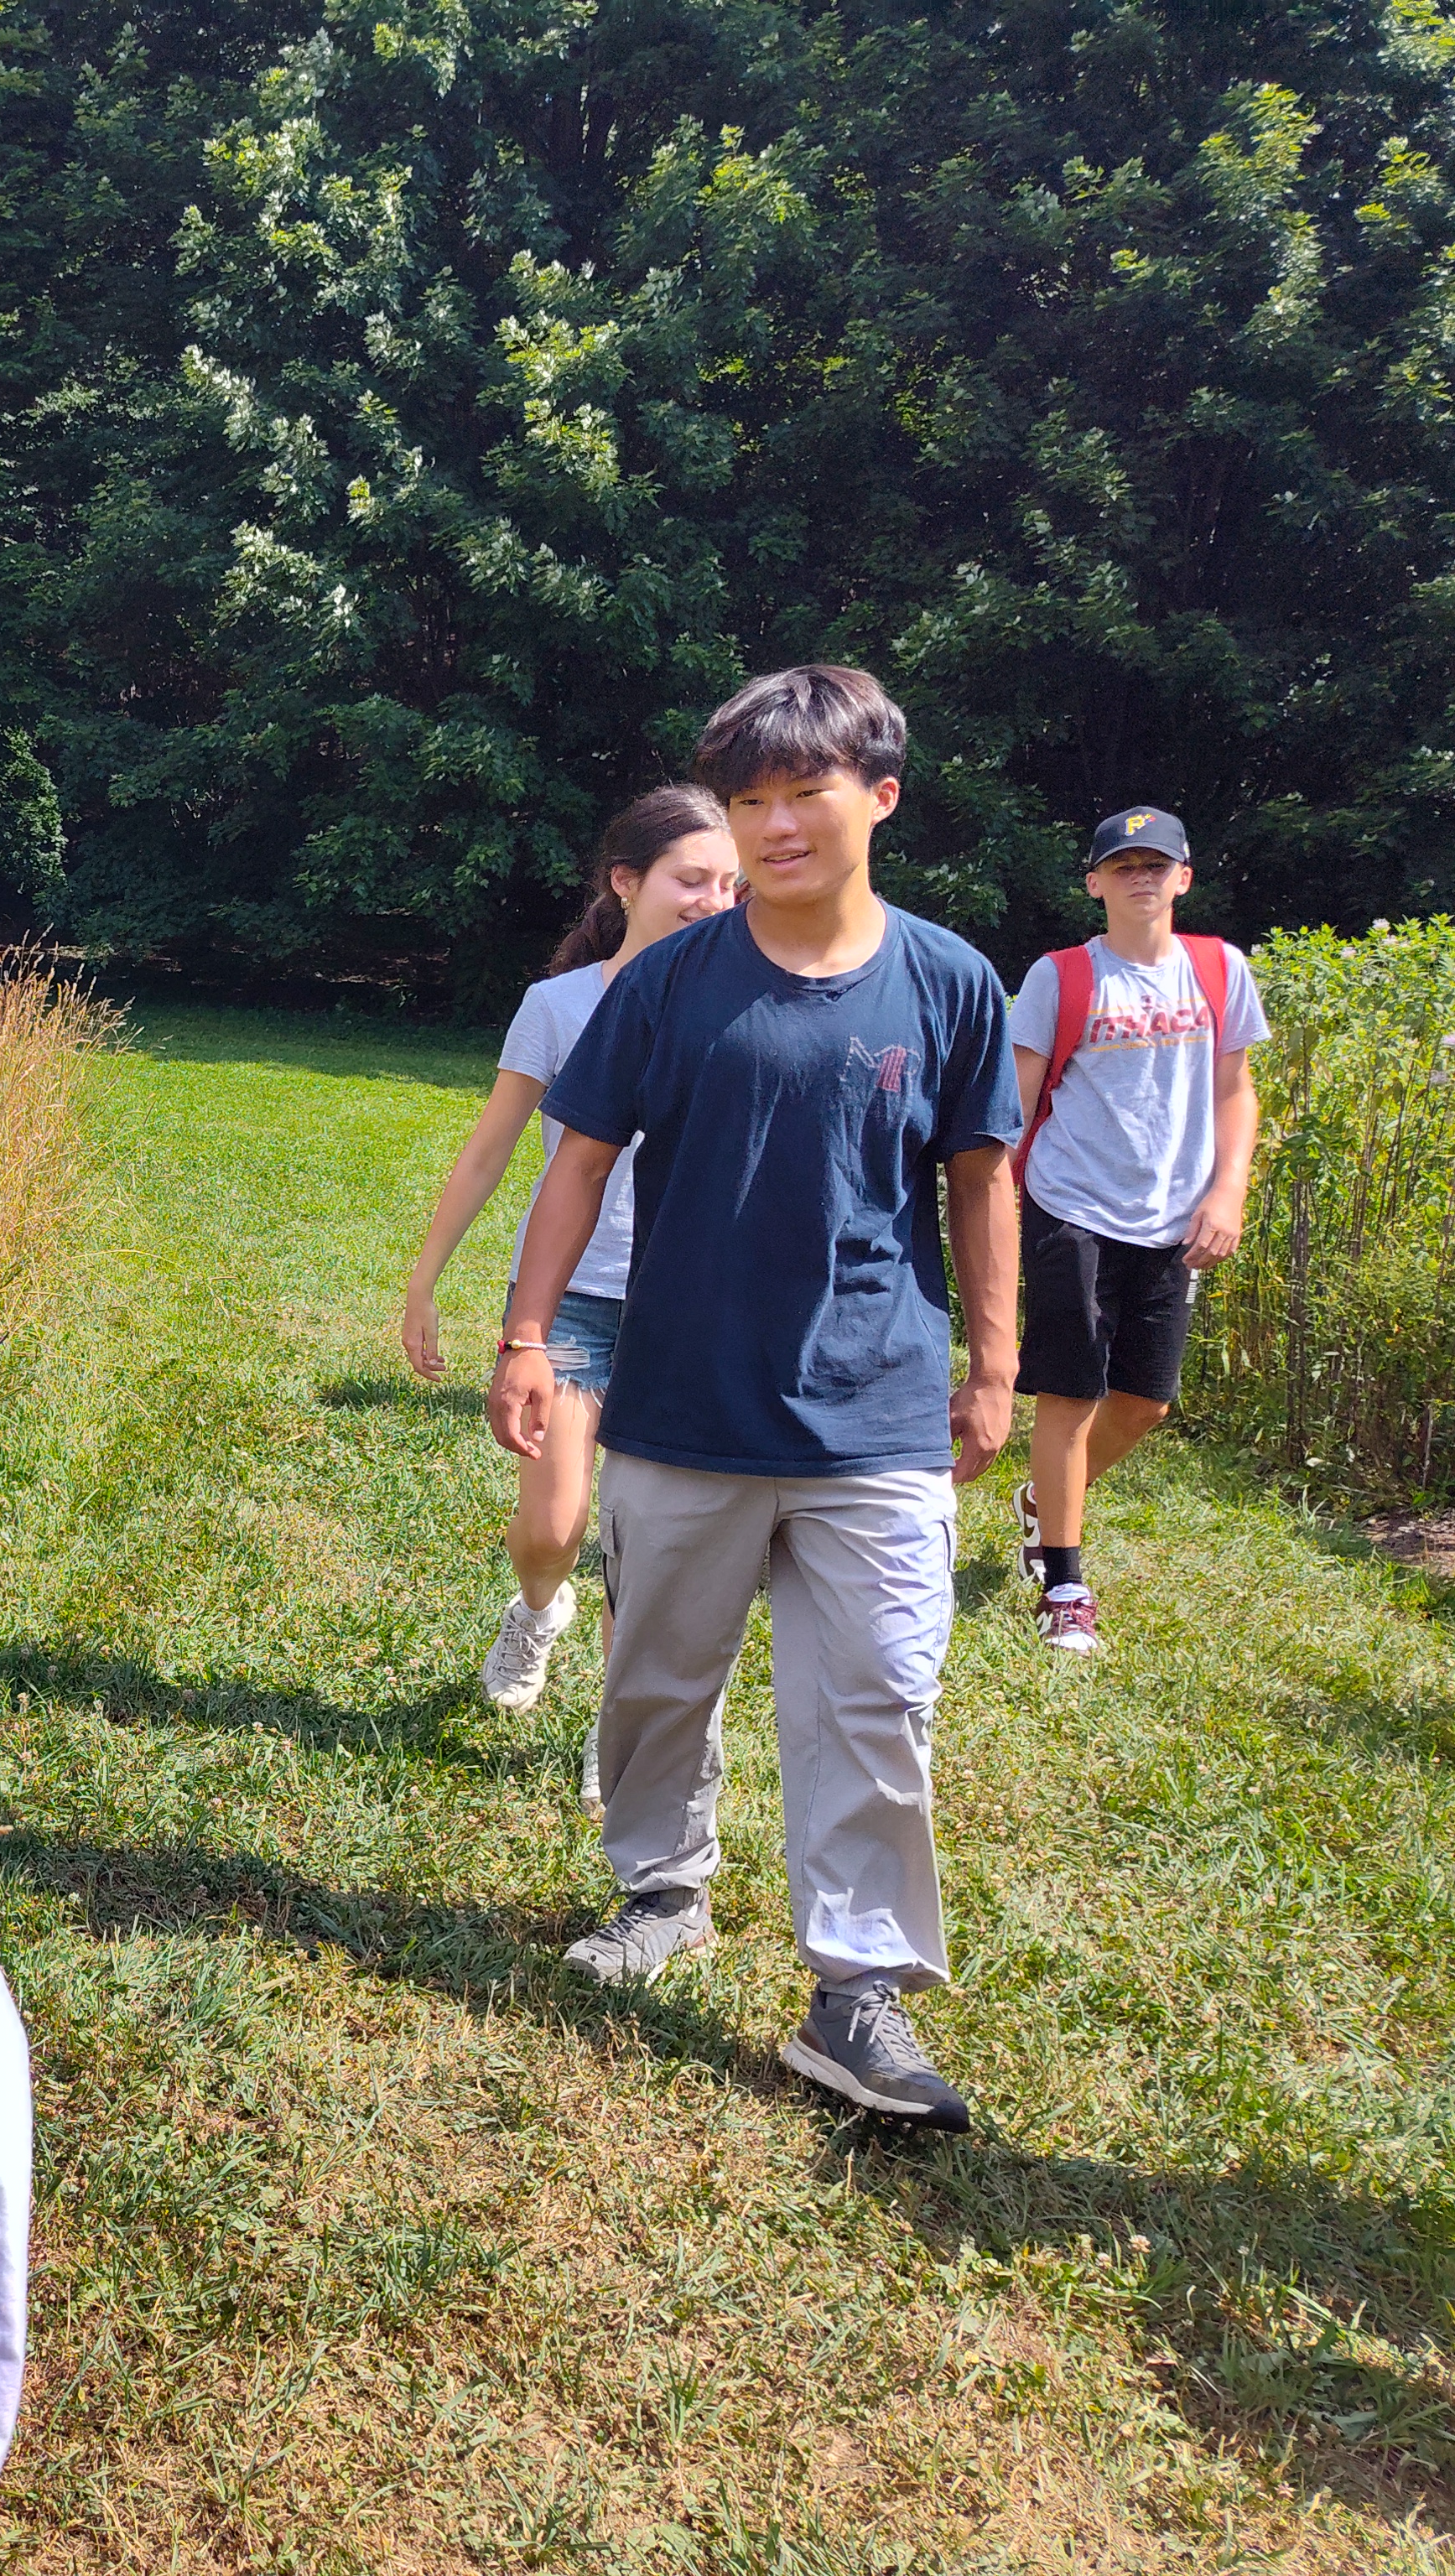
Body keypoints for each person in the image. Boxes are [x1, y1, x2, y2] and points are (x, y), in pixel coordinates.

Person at [490, 665, 1019, 2132]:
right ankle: (661, 1888)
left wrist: (992, 1365)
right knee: (660, 1670)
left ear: (881, 796)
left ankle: (856, 1992)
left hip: (881, 1407)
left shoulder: (950, 980)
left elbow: (982, 1180)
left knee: (880, 1694)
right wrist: (528, 1333)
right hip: (682, 1398)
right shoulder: (670, 977)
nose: (776, 824)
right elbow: (580, 1158)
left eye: (807, 792)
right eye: (749, 800)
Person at [401, 789, 741, 1741]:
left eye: (730, 883)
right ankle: (537, 1612)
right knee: (554, 1527)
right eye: (690, 880)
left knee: (654, 1545)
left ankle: (619, 1729)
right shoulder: (558, 1005)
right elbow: (490, 1148)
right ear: (626, 883)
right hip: (570, 1299)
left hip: (692, 1307)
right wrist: (425, 1279)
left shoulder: (750, 1001)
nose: (714, 901)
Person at [1005, 807, 1265, 1654]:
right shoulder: (1062, 977)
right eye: (1124, 866)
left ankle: (1045, 1504)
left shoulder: (1220, 971)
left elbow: (1235, 1092)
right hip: (1071, 1202)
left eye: (1158, 865)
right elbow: (1017, 1099)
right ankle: (1065, 1582)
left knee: (1144, 1404)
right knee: (1070, 1393)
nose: (1141, 877)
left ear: (1184, 878)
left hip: (1172, 1214)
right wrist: (996, 1206)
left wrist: (1226, 1192)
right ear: (1095, 882)